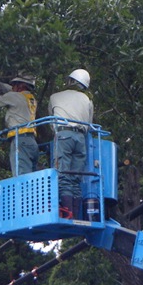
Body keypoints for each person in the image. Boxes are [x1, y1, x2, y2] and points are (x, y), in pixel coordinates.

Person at [48, 68, 93, 218]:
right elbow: (89, 123)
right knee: (76, 177)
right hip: (81, 139)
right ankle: (75, 213)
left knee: (64, 174)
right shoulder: (87, 100)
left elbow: (50, 120)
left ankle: (68, 213)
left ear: (70, 81)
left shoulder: (55, 96)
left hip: (63, 135)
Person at [0, 75, 39, 177]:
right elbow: (11, 91)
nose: (12, 88)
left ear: (20, 86)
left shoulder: (14, 96)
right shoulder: (31, 99)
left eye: (14, 85)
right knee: (32, 176)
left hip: (20, 140)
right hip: (32, 142)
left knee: (21, 176)